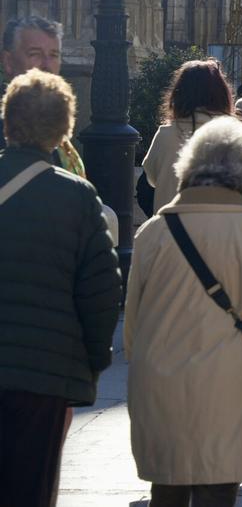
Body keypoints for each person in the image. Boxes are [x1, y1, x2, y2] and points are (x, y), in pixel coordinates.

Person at [125, 117, 242, 507]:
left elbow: (132, 330)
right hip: (232, 385)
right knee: (218, 490)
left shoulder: (153, 232)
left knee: (166, 490)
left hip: (160, 384)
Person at [0, 70, 122, 507]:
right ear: (63, 129)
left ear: (8, 122)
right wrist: (89, 361)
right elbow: (102, 292)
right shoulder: (78, 197)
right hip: (42, 377)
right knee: (29, 489)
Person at [143, 60, 242, 233]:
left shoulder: (165, 136)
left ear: (178, 95)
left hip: (174, 241)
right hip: (234, 243)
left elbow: (152, 179)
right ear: (224, 95)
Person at [0, 16, 85, 175]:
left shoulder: (55, 118)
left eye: (53, 55)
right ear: (8, 61)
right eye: (35, 54)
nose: (46, 65)